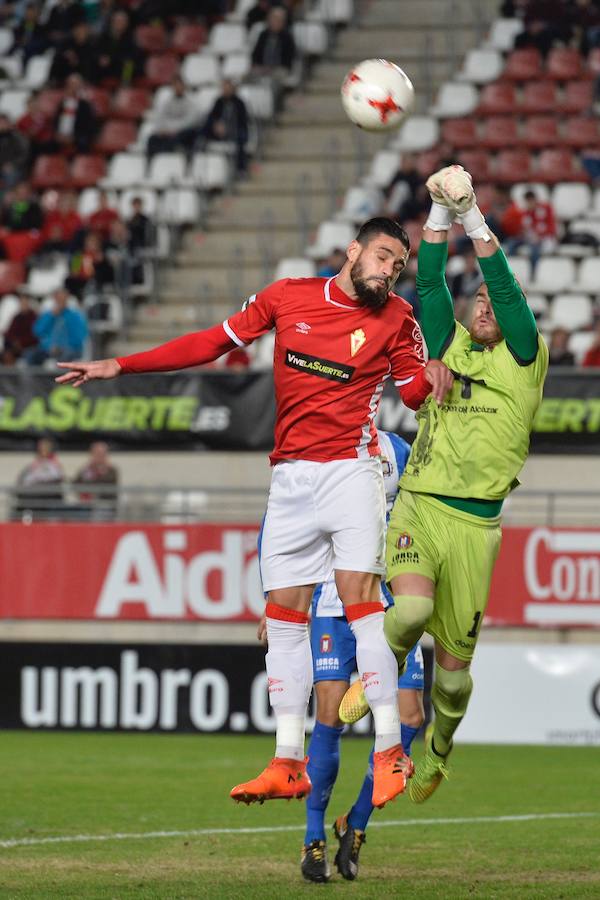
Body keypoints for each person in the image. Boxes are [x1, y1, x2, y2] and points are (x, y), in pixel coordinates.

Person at [55, 216, 454, 811]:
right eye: (384, 257)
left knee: (363, 604)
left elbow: (414, 394)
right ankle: (287, 760)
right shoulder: (286, 296)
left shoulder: (397, 319)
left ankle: (391, 750)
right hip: (289, 476)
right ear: (353, 251)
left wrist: (433, 377)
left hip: (351, 469)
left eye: (398, 265)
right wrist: (122, 365)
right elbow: (211, 342)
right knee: (284, 619)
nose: (390, 270)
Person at [339, 167, 549, 805]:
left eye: (492, 303)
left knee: (453, 678)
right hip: (421, 509)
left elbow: (507, 291)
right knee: (410, 611)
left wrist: (473, 218)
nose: (484, 306)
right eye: (476, 302)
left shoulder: (523, 359)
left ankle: (438, 752)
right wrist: (437, 211)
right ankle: (366, 675)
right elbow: (427, 280)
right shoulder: (445, 345)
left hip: (477, 528)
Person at [294, 429, 425, 883]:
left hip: (390, 604)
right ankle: (313, 839)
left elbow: (423, 520)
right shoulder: (317, 448)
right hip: (333, 602)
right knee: (329, 716)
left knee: (409, 719)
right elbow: (296, 534)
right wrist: (277, 602)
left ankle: (356, 823)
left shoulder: (399, 451)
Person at [27, 287, 88, 364]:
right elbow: (37, 331)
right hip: (49, 349)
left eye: (62, 298)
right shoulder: (49, 314)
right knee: (31, 355)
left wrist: (61, 346)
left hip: (69, 349)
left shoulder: (75, 316)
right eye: (58, 298)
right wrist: (51, 316)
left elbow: (79, 337)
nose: (60, 300)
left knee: (65, 357)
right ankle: (34, 376)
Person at [501, 189, 557, 273]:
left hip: (541, 239)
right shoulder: (524, 213)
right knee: (511, 244)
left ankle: (533, 272)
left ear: (535, 200)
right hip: (527, 238)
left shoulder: (546, 209)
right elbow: (522, 229)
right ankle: (510, 270)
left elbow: (551, 227)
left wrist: (540, 236)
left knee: (534, 249)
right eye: (528, 202)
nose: (530, 204)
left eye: (531, 201)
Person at [14, 436, 64, 520]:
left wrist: (37, 483)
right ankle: (23, 521)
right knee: (20, 502)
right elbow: (23, 478)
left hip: (45, 495)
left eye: (45, 446)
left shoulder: (54, 464)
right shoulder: (34, 464)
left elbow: (57, 478)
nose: (42, 449)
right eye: (41, 447)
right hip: (30, 493)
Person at [73, 440, 119, 518]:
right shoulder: (86, 469)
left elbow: (106, 484)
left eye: (101, 454)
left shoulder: (111, 470)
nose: (99, 456)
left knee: (99, 513)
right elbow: (76, 482)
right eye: (96, 453)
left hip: (105, 505)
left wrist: (93, 480)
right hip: (86, 505)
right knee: (74, 512)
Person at [1, 290, 38, 364]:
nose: (23, 304)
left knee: (29, 354)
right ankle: (8, 374)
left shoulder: (34, 317)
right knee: (7, 354)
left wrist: (21, 343)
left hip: (29, 346)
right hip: (15, 346)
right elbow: (10, 333)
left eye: (25, 302)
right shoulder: (17, 317)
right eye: (21, 302)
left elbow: (35, 335)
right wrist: (14, 342)